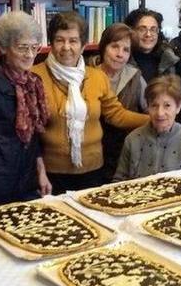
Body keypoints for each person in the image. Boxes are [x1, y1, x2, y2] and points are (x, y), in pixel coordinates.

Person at [33, 11, 149, 194]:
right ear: (51, 43)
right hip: (51, 174)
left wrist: (154, 120)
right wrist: (39, 171)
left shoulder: (97, 77)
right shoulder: (34, 77)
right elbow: (30, 132)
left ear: (83, 45)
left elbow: (116, 115)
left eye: (73, 41)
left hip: (94, 169)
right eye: (60, 40)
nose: (66, 47)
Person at [0, 11, 52, 209]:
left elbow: (34, 136)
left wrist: (41, 172)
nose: (30, 55)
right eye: (22, 48)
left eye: (34, 47)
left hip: (28, 182)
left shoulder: (34, 83)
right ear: (4, 47)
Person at [86, 23, 148, 177]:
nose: (120, 54)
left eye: (126, 50)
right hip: (91, 153)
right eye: (114, 47)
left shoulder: (136, 78)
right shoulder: (86, 75)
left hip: (126, 152)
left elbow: (151, 110)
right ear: (103, 47)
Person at [114, 75, 181, 181]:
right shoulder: (132, 139)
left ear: (178, 107)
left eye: (167, 105)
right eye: (154, 105)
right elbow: (119, 182)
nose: (160, 113)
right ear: (148, 106)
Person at [123, 7, 181, 82]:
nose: (148, 34)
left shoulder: (170, 59)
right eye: (142, 29)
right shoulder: (122, 59)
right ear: (131, 31)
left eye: (153, 29)